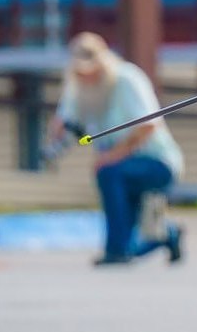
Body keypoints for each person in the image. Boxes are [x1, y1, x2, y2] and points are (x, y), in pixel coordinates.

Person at [46, 32, 185, 266]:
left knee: (108, 172)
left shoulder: (126, 78)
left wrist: (112, 156)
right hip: (121, 166)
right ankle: (166, 235)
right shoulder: (78, 85)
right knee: (132, 244)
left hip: (156, 163)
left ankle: (116, 249)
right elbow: (65, 119)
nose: (87, 76)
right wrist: (57, 133)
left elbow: (149, 125)